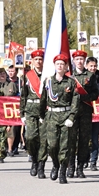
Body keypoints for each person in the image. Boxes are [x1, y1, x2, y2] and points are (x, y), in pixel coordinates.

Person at [39, 54, 79, 184]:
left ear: (66, 66)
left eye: (62, 64)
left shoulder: (71, 82)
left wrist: (72, 117)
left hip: (66, 116)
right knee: (52, 145)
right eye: (58, 64)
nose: (60, 66)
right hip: (51, 117)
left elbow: (75, 101)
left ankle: (62, 170)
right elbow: (43, 99)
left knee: (65, 146)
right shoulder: (48, 81)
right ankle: (55, 163)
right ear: (55, 66)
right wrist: (41, 116)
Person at [67, 50, 99, 178]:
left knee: (84, 140)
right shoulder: (68, 76)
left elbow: (95, 94)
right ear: (74, 61)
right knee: (71, 140)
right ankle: (70, 167)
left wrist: (82, 97)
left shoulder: (90, 76)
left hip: (85, 111)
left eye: (81, 59)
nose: (79, 61)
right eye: (77, 59)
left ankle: (80, 168)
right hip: (72, 113)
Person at [20, 50, 47, 178]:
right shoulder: (27, 76)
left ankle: (41, 165)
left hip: (44, 110)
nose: (38, 62)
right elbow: (23, 95)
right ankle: (34, 160)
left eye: (40, 59)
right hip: (30, 109)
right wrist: (22, 113)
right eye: (36, 59)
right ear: (32, 61)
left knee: (43, 139)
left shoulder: (48, 75)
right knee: (30, 137)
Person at [0, 67, 18, 163]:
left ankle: (2, 155)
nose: (2, 75)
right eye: (0, 73)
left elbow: (15, 98)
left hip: (7, 113)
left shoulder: (11, 85)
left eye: (4, 73)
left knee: (5, 134)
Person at [86, 57, 99, 171]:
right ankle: (84, 158)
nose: (93, 68)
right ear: (87, 66)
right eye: (91, 66)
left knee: (95, 137)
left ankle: (93, 161)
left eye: (94, 66)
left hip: (97, 111)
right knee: (84, 137)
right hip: (84, 110)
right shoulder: (82, 76)